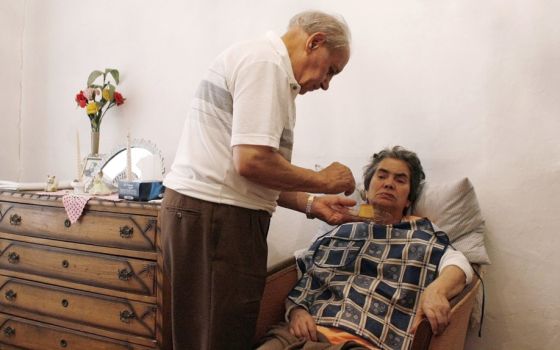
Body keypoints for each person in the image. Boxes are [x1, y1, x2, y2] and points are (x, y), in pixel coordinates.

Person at [161, 10, 358, 350]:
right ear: (315, 41)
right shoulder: (266, 65)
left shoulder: (271, 71)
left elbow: (262, 174)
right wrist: (322, 180)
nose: (326, 83)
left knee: (211, 334)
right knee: (216, 337)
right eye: (331, 70)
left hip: (214, 217)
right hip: (218, 219)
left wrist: (311, 203)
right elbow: (251, 162)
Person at [256, 146, 474, 350]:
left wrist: (437, 290)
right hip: (303, 334)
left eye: (400, 180)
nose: (389, 184)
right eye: (382, 176)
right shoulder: (341, 229)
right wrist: (296, 310)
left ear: (409, 199)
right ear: (367, 192)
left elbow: (459, 264)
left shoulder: (424, 234)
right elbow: (306, 267)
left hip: (366, 342)